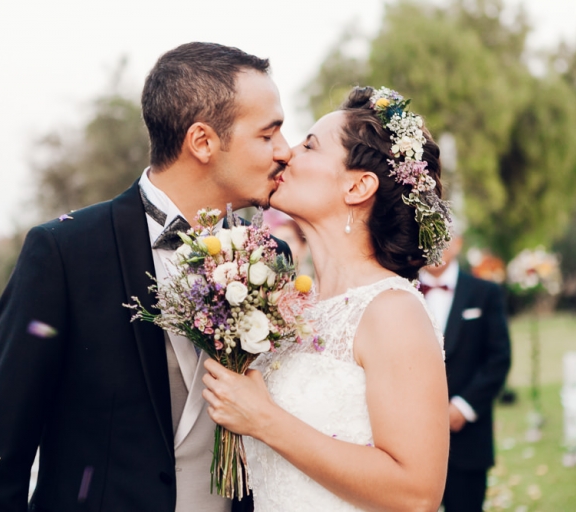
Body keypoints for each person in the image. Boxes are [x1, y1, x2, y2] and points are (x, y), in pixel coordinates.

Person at [0, 42, 291, 512]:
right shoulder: (64, 253)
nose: (286, 150)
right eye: (268, 134)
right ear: (202, 142)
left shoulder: (272, 258)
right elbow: (1, 453)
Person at [202, 86, 450, 511]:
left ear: (357, 186)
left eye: (310, 145)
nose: (286, 153)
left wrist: (264, 420)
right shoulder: (292, 309)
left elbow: (417, 494)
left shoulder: (392, 312)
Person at [418, 236, 511, 512]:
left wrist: (463, 407)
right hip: (411, 439)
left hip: (468, 440)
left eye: (441, 238)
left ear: (457, 243)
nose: (434, 246)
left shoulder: (486, 292)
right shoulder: (399, 291)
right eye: (425, 238)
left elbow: (499, 358)